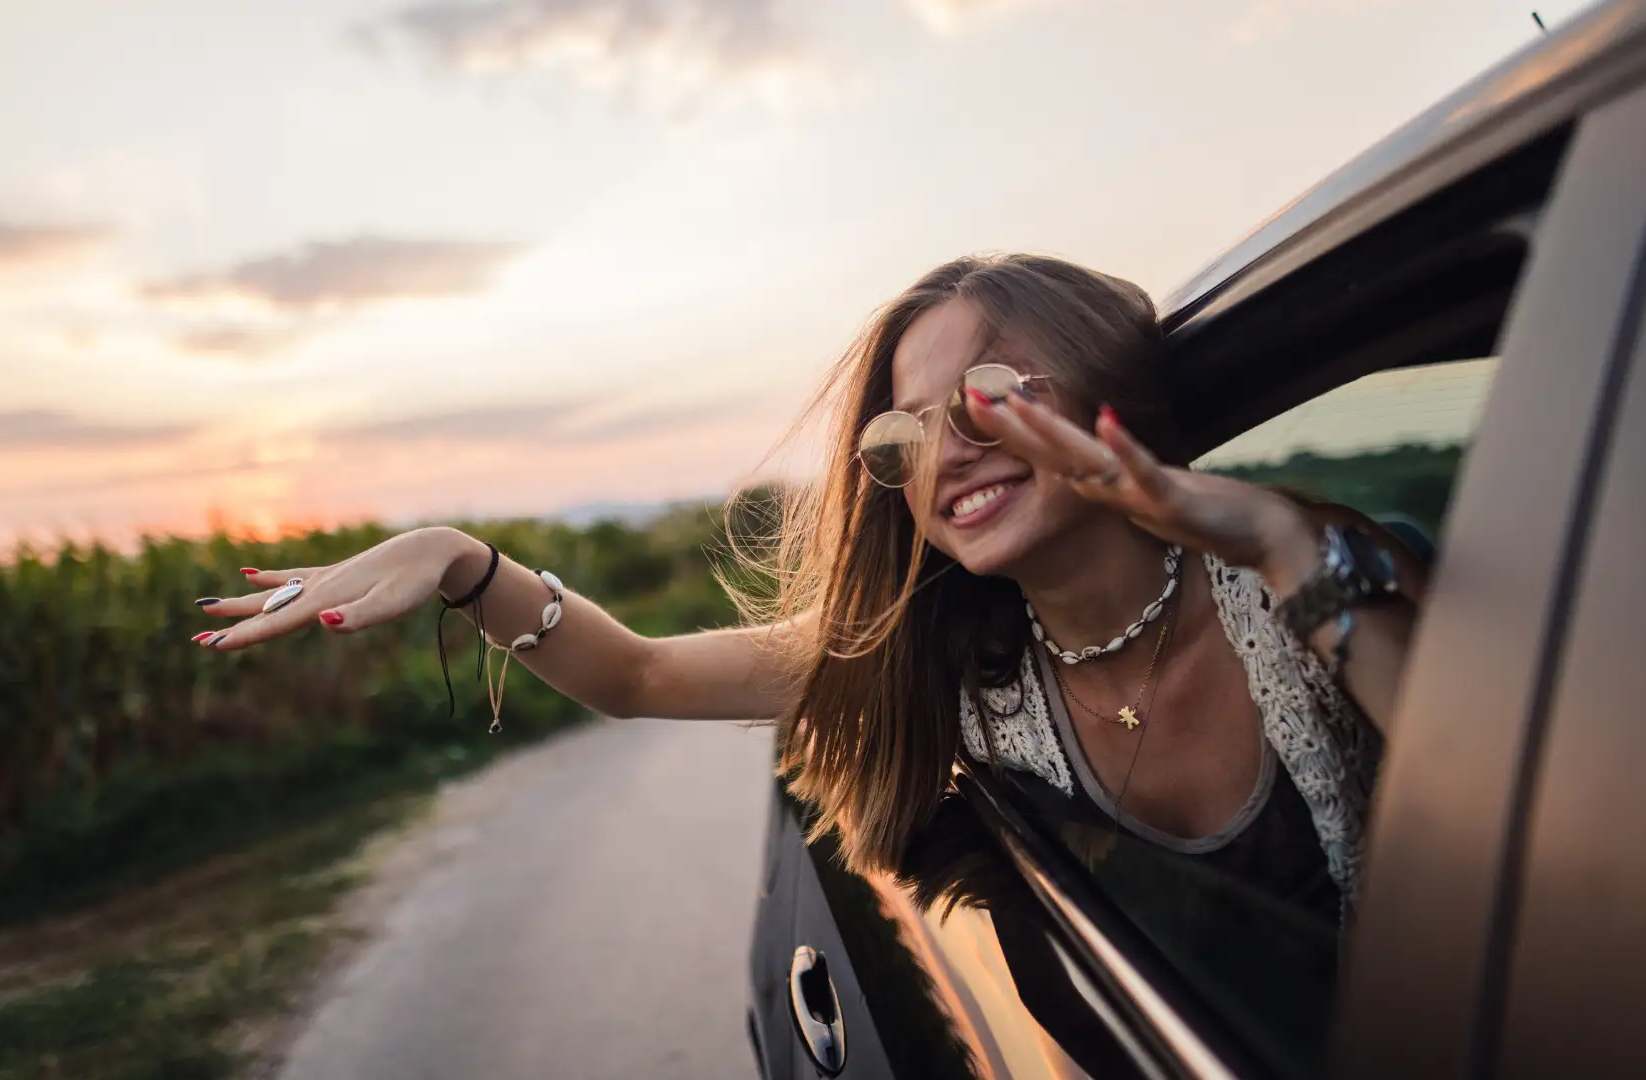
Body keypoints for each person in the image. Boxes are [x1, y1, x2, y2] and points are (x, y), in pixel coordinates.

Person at [190, 254, 1422, 922]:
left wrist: (1277, 542)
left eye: (989, 399)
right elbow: (640, 672)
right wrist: (464, 563)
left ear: (1105, 389)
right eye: (905, 440)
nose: (946, 454)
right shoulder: (949, 662)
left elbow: (1529, 797)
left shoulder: (1310, 574)